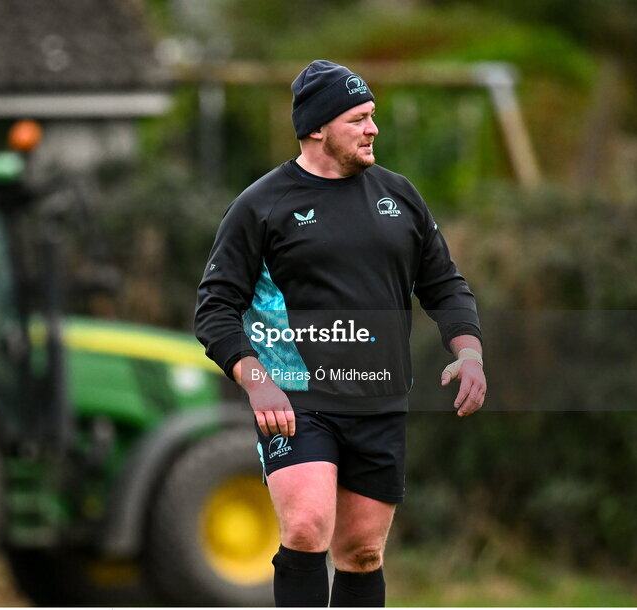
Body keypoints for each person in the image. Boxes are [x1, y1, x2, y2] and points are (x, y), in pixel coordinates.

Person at [195, 60, 487, 607]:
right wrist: (257, 381)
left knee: (361, 553)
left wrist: (468, 352)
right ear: (317, 128)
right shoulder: (261, 205)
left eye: (372, 116)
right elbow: (215, 309)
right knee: (306, 527)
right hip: (294, 398)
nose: (373, 128)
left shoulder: (400, 197)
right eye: (359, 118)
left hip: (379, 398)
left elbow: (445, 286)